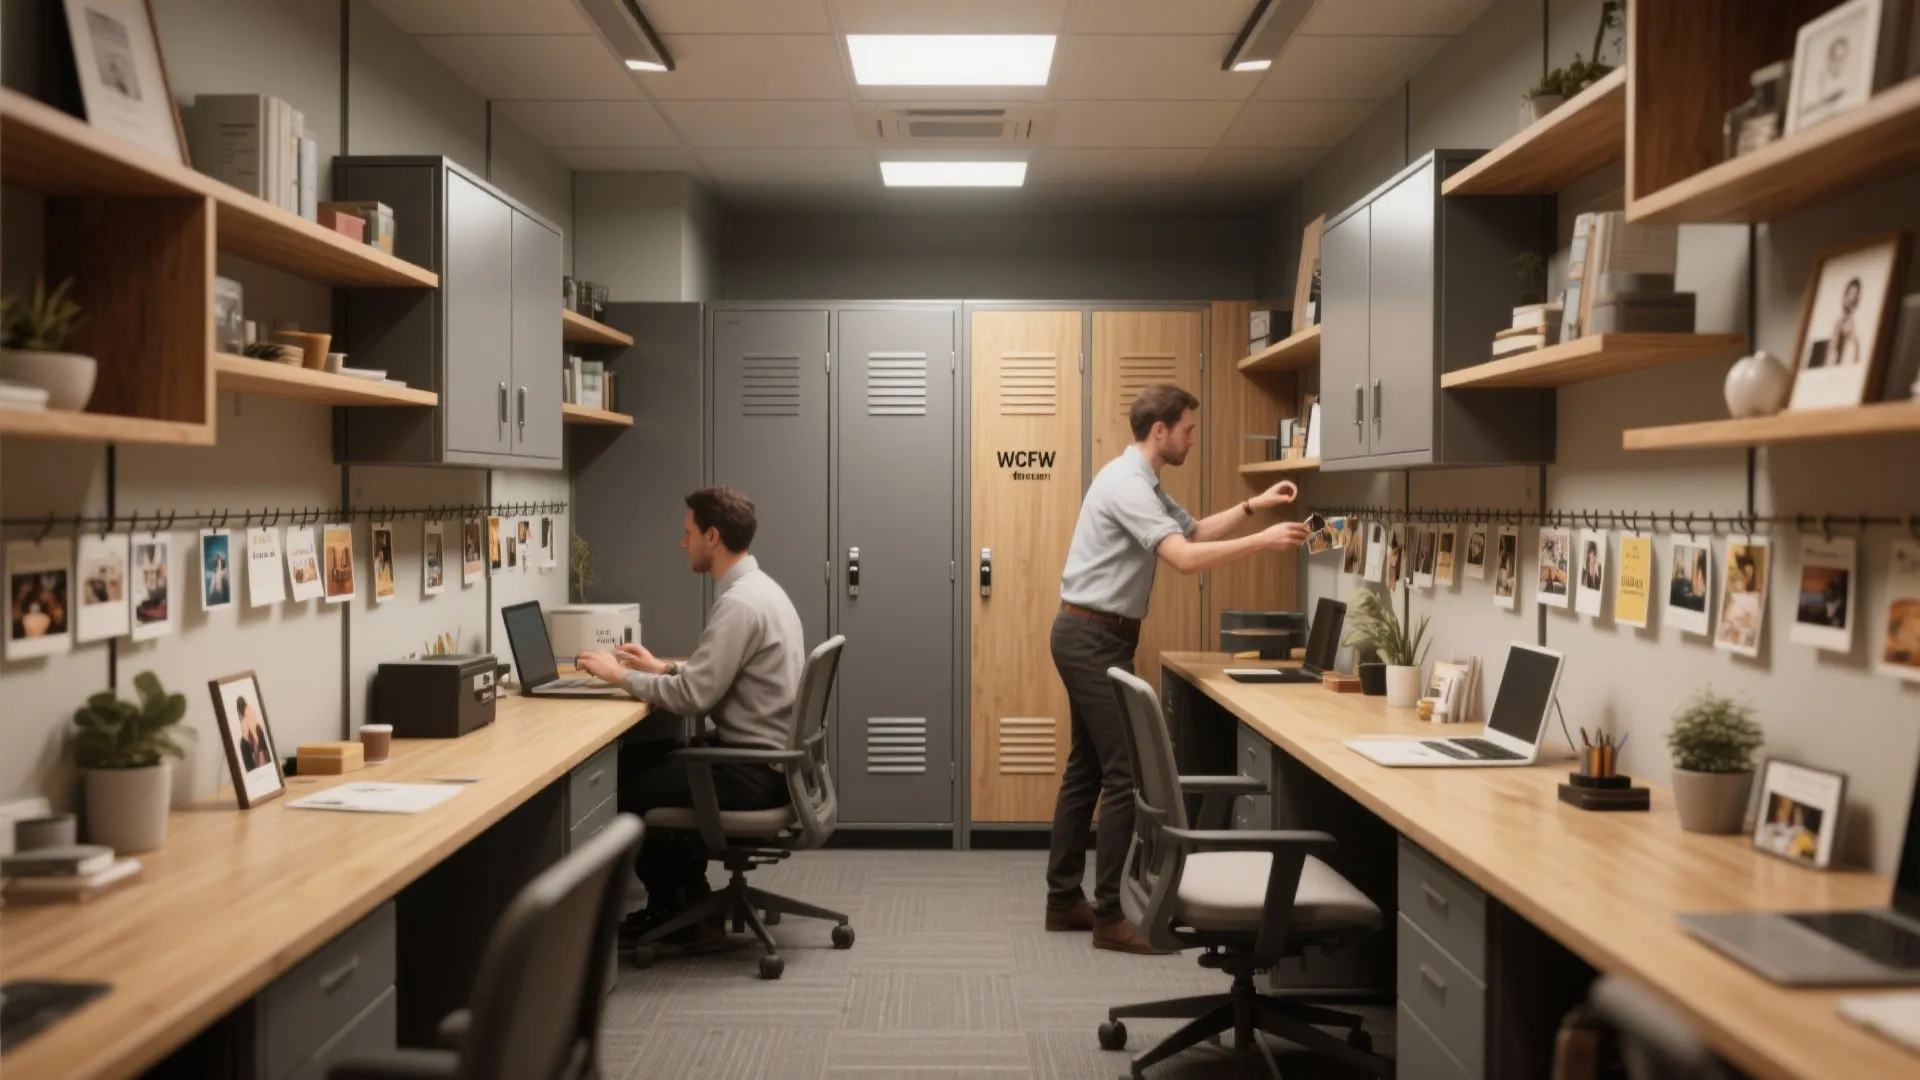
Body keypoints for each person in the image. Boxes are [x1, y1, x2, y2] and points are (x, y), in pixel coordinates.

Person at [1045, 384, 1309, 955]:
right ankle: (1109, 916)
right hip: (1090, 636)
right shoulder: (1127, 484)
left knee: (1088, 766)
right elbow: (1185, 560)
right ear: (1159, 431)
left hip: (1096, 635)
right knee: (1123, 773)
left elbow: (1190, 533)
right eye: (1188, 429)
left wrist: (1251, 508)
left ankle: (1063, 899)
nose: (1193, 437)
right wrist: (1263, 542)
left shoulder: (1142, 481)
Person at [574, 486, 802, 944]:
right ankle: (690, 902)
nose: (684, 543)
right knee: (645, 763)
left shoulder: (738, 604)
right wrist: (662, 668)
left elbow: (694, 697)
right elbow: (717, 678)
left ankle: (674, 908)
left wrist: (618, 676)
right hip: (770, 760)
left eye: (688, 533)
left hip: (749, 770)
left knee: (625, 785)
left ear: (712, 536)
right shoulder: (762, 590)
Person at [236, 697, 272, 771]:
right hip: (249, 743)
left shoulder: (248, 712)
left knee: (261, 762)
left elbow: (253, 729)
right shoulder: (244, 714)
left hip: (252, 740)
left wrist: (256, 744)